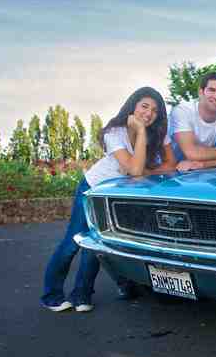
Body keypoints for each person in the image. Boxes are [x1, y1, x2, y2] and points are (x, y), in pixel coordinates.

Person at [40, 86, 176, 312]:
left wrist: (143, 170)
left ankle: (81, 295)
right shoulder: (115, 132)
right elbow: (134, 170)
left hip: (118, 194)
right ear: (132, 106)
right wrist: (140, 133)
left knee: (97, 244)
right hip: (94, 188)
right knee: (73, 242)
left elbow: (170, 165)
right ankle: (51, 295)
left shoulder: (159, 133)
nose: (149, 113)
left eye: (154, 110)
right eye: (144, 106)